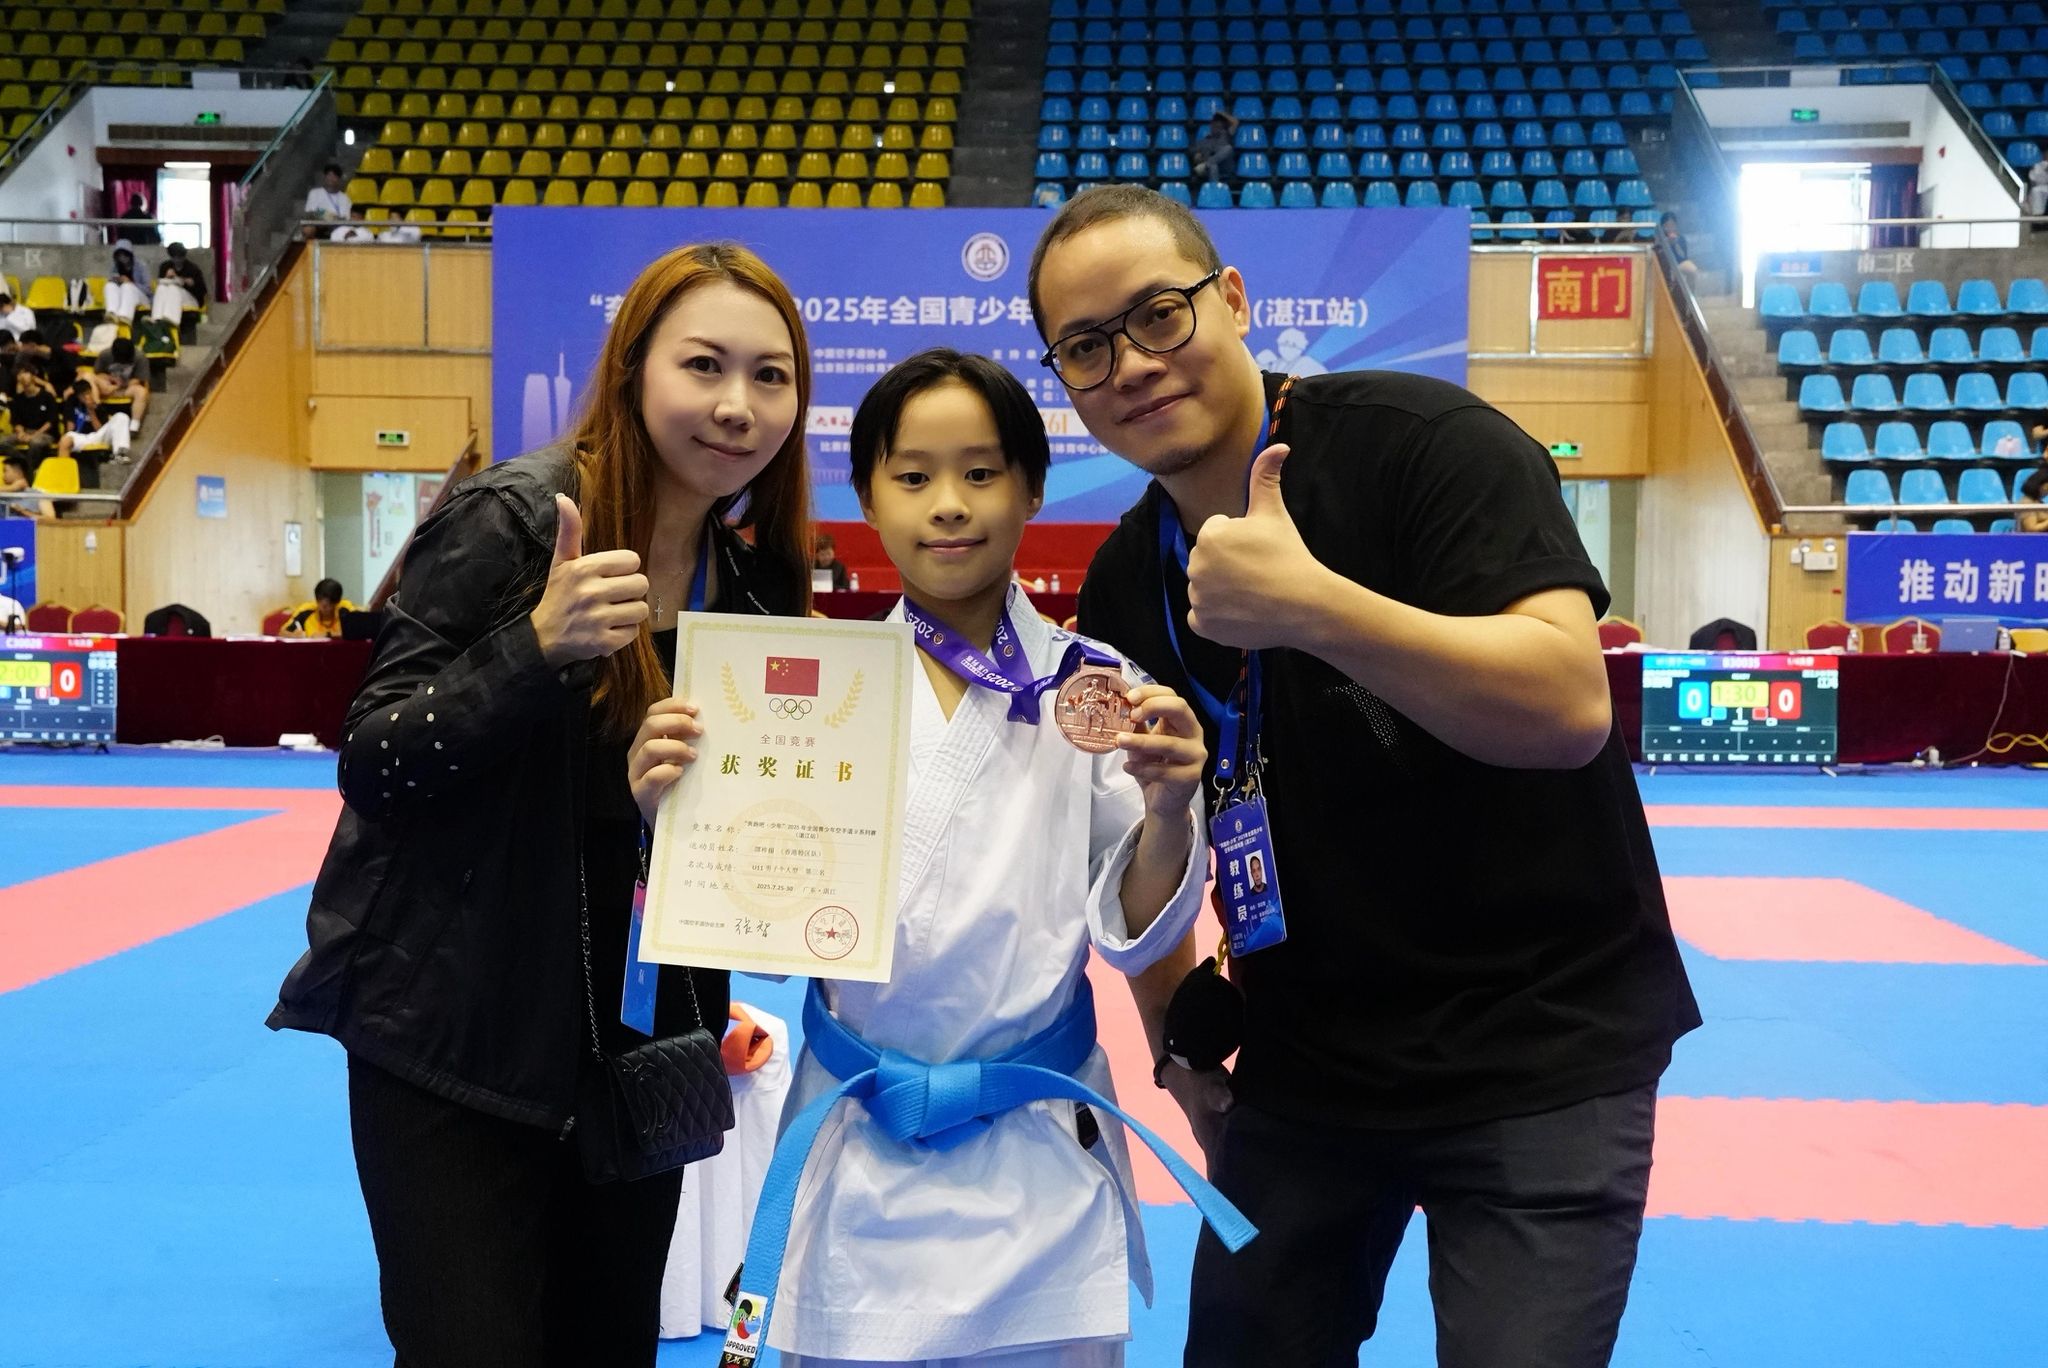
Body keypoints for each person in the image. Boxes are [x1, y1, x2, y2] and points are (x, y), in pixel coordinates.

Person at [1028, 186, 1700, 1368]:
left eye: (1157, 315)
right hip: (1306, 1067)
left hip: (1539, 1046)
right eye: (1085, 346)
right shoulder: (1128, 580)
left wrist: (1315, 609)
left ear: (1233, 301)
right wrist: (1180, 1052)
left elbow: (1567, 706)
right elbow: (1137, 849)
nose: (1129, 365)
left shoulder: (1424, 442)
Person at [264, 241, 815, 1368]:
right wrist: (534, 648)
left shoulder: (754, 587)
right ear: (632, 369)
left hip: (636, 1041)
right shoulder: (517, 521)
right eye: (703, 365)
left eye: (771, 376)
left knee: (609, 1345)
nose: (737, 404)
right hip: (458, 1037)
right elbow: (375, 757)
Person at [635, 348, 1235, 1368]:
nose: (948, 504)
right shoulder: (804, 697)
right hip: (856, 1150)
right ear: (866, 496)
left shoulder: (1097, 693)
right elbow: (755, 931)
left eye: (981, 472)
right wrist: (677, 821)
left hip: (1038, 1159)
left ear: (1032, 488)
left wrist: (1170, 811)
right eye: (912, 476)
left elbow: (1133, 935)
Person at [92, 338, 150, 426]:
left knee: (141, 391)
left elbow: (140, 379)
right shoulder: (104, 355)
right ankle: (98, 412)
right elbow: (98, 374)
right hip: (108, 387)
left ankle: (134, 425)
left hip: (127, 388)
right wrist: (111, 379)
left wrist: (123, 384)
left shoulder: (140, 357)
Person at [281, 577, 357, 637]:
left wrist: (327, 635)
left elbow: (360, 631)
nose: (325, 608)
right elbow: (282, 633)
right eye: (321, 604)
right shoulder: (305, 611)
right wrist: (295, 636)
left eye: (329, 605)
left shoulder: (346, 609)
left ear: (337, 602)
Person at [1190, 111, 1239, 185]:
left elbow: (1235, 122)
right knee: (1213, 166)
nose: (1217, 129)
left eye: (1219, 127)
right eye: (1215, 126)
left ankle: (1206, 164)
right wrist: (1196, 156)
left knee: (1228, 148)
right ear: (1211, 126)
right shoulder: (1205, 140)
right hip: (1210, 169)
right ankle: (1214, 190)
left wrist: (1219, 112)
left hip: (1225, 166)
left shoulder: (1227, 134)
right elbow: (1192, 152)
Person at [105, 243, 149, 325]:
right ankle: (112, 313)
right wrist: (115, 281)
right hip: (122, 296)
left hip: (141, 297)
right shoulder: (115, 267)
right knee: (110, 285)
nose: (123, 258)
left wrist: (130, 282)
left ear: (130, 255)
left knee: (127, 286)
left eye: (125, 255)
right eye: (120, 255)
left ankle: (125, 316)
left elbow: (147, 289)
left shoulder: (141, 266)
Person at [304, 163, 352, 237]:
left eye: (334, 176)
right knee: (308, 229)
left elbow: (345, 218)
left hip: (338, 227)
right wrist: (331, 218)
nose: (331, 178)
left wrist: (323, 214)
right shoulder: (314, 193)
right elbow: (311, 213)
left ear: (339, 179)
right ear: (325, 177)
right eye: (329, 175)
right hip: (319, 226)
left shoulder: (345, 198)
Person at [1659, 210, 1698, 275]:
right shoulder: (1660, 240)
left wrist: (1675, 244)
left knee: (1692, 269)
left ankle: (1689, 283)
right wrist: (1666, 244)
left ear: (1676, 225)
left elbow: (1684, 258)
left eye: (1672, 225)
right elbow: (1659, 257)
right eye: (1666, 225)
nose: (1670, 228)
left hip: (1678, 266)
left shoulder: (1681, 238)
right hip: (1664, 268)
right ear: (1662, 227)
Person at [2020, 465, 2048, 533]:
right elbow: (2031, 529)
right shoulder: (2026, 503)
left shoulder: (2039, 502)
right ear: (2040, 485)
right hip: (2032, 539)